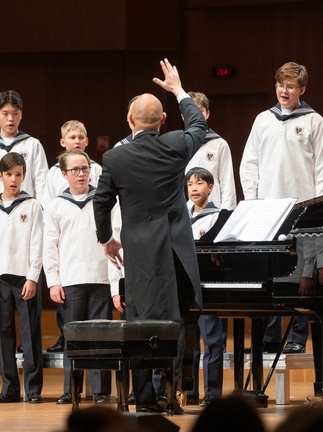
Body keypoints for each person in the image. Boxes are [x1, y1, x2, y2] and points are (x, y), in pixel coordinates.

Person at [94, 58, 208, 413]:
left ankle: (143, 397)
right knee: (175, 320)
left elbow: (101, 202)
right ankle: (172, 395)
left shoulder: (114, 158)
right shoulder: (175, 145)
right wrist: (178, 90)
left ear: (129, 120)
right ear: (163, 120)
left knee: (139, 321)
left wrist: (107, 240)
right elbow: (198, 124)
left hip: (140, 252)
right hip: (175, 251)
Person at [239, 62, 323, 354]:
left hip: (302, 207)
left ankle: (296, 338)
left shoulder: (314, 120)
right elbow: (249, 164)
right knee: (270, 272)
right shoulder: (262, 120)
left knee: (302, 273)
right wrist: (252, 203)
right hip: (268, 208)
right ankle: (269, 340)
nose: (284, 90)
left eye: (290, 86)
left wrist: (319, 205)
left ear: (302, 89)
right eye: (281, 85)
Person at [0, 90, 48, 353]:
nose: (10, 119)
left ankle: (29, 357)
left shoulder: (32, 145)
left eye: (15, 113)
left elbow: (41, 183)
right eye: (5, 113)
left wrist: (38, 215)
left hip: (26, 220)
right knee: (0, 293)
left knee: (27, 297)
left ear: (21, 115)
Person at [44, 149, 114, 405]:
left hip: (100, 277)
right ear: (64, 174)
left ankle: (101, 390)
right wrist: (53, 281)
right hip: (70, 279)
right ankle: (71, 388)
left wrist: (115, 281)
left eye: (85, 168)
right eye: (75, 170)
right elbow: (49, 246)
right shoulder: (56, 205)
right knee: (72, 338)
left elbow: (115, 238)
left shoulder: (103, 201)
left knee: (101, 336)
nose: (81, 174)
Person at [0, 152, 44, 404]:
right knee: (4, 334)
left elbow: (37, 243)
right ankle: (10, 389)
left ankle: (33, 388)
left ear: (24, 176)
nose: (13, 179)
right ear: (0, 176)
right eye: (8, 174)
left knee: (30, 334)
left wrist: (33, 277)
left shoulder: (32, 205)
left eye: (18, 174)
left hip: (25, 278)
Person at [41, 120, 103, 355]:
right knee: (71, 330)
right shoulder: (54, 178)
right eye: (72, 137)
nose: (76, 141)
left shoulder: (96, 171)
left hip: (97, 269)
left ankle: (99, 380)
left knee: (99, 336)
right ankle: (63, 341)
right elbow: (48, 211)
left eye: (80, 138)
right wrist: (53, 279)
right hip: (69, 265)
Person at [183, 167, 223, 406]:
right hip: (185, 285)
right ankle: (188, 391)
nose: (194, 189)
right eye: (190, 184)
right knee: (189, 341)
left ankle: (212, 393)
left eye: (199, 184)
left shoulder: (218, 217)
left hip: (208, 286)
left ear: (210, 187)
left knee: (212, 341)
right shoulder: (181, 216)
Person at [185, 92, 237, 211]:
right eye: (190, 112)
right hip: (186, 214)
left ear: (207, 114)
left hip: (213, 213)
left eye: (200, 111)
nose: (196, 116)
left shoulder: (219, 144)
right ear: (183, 116)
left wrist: (225, 215)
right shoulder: (179, 145)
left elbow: (227, 185)